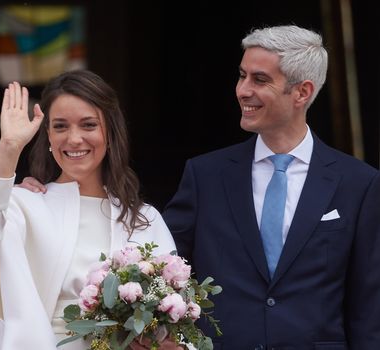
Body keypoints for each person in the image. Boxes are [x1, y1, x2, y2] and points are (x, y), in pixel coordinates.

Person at [161, 25, 380, 349]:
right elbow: (161, 269)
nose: (242, 90)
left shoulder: (359, 183)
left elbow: (369, 308)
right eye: (242, 75)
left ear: (302, 92)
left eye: (259, 80)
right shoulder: (204, 175)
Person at [0, 70, 180, 350]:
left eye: (88, 125)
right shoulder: (23, 203)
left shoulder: (144, 218)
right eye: (61, 127)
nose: (74, 139)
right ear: (48, 135)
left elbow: (176, 313)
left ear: (110, 133)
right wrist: (9, 147)